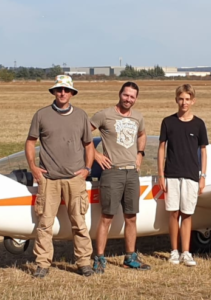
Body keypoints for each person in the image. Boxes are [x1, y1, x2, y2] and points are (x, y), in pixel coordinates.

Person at [26, 75, 95, 278]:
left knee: (79, 223)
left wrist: (87, 169)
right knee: (45, 224)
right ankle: (42, 264)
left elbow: (88, 145)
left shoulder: (81, 116)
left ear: (72, 93)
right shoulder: (41, 115)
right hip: (49, 180)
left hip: (75, 179)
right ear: (54, 92)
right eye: (59, 90)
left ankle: (84, 263)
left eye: (66, 90)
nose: (62, 93)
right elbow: (30, 142)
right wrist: (33, 168)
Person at [90, 81, 150, 273]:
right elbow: (82, 134)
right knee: (106, 216)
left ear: (136, 99)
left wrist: (140, 154)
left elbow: (142, 134)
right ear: (120, 94)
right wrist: (96, 155)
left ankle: (130, 257)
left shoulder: (138, 117)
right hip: (112, 172)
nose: (128, 99)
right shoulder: (104, 115)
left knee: (131, 216)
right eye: (126, 95)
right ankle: (99, 258)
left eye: (132, 97)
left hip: (132, 172)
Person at [157, 84, 208, 267]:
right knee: (173, 213)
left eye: (187, 99)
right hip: (172, 174)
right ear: (176, 100)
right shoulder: (168, 122)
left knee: (187, 214)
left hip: (191, 175)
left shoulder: (199, 124)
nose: (184, 102)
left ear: (192, 101)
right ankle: (174, 251)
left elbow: (203, 151)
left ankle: (186, 252)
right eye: (181, 99)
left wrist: (203, 176)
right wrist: (161, 175)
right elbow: (162, 148)